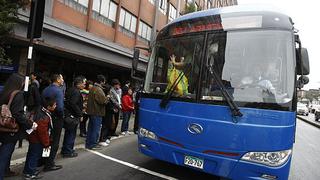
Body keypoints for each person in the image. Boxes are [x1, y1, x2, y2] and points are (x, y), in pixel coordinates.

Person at [0, 73, 37, 180]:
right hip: (10, 129)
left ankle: (6, 171)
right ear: (19, 83)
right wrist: (30, 123)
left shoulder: (5, 92)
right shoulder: (18, 94)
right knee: (4, 155)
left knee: (4, 153)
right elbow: (17, 114)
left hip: (2, 126)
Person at [23, 97, 56, 179]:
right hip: (37, 139)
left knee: (31, 154)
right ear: (49, 107)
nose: (56, 106)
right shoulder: (44, 117)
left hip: (32, 137)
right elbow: (42, 132)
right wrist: (46, 143)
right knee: (34, 156)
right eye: (54, 105)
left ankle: (27, 170)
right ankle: (31, 173)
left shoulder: (40, 110)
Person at [41, 74, 64, 172]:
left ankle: (44, 160)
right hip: (56, 118)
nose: (63, 80)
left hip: (45, 116)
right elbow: (60, 108)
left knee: (47, 141)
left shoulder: (46, 89)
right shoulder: (58, 91)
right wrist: (62, 115)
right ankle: (49, 164)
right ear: (58, 80)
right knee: (54, 142)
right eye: (62, 78)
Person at [61, 77, 85, 158]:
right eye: (83, 83)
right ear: (78, 84)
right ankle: (68, 151)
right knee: (71, 134)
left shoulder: (71, 89)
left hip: (69, 115)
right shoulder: (76, 92)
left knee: (68, 133)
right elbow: (73, 104)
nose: (84, 84)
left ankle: (65, 149)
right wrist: (80, 114)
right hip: (72, 116)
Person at [85, 75, 109, 150]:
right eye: (104, 81)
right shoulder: (98, 89)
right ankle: (93, 144)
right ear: (101, 81)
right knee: (95, 129)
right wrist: (107, 98)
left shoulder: (92, 88)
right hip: (97, 112)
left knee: (90, 129)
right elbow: (103, 101)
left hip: (91, 111)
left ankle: (88, 144)